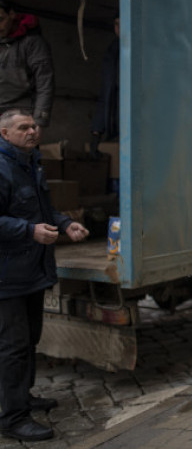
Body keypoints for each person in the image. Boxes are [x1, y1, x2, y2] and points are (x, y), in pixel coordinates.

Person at [0, 109, 89, 442]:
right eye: (23, 128)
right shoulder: (2, 167)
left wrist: (65, 223)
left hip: (33, 272)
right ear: (5, 134)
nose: (32, 131)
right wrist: (29, 231)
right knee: (13, 347)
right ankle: (13, 418)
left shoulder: (31, 162)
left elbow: (40, 210)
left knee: (31, 339)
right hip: (7, 276)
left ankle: (24, 397)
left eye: (34, 126)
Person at [0, 1, 53, 127]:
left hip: (21, 115)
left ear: (11, 14)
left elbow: (44, 83)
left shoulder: (32, 43)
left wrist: (39, 121)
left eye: (0, 19)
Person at [90, 15, 120, 157]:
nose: (118, 28)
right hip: (115, 126)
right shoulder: (112, 51)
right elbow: (106, 93)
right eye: (116, 24)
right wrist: (96, 132)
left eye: (122, 23)